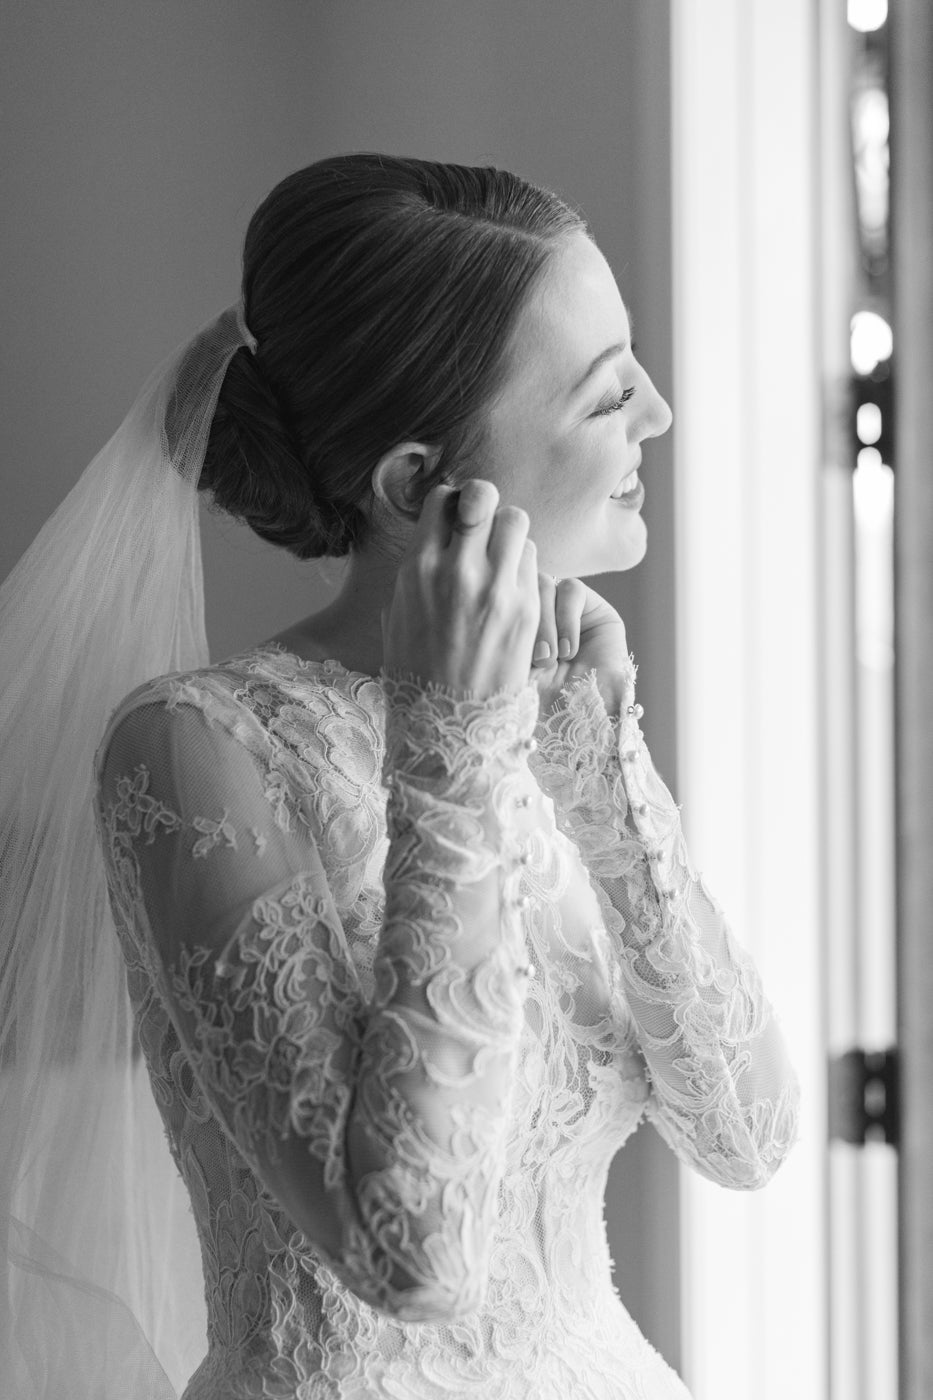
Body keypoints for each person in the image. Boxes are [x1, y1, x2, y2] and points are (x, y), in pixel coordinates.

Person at [0, 154, 801, 1399]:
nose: (659, 413)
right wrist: (455, 745)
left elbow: (750, 1136)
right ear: (419, 486)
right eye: (603, 397)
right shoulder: (192, 750)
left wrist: (605, 773)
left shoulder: (563, 720)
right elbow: (411, 1251)